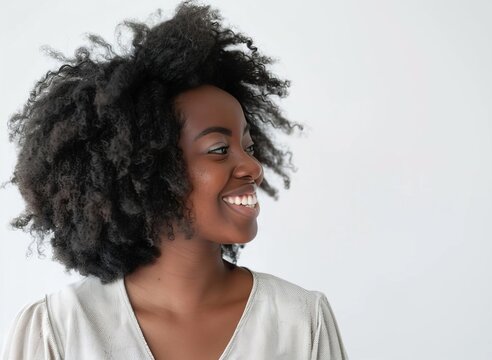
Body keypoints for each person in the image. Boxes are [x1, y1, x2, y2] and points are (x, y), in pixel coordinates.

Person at [1, 1, 348, 359]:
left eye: (249, 146)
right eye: (218, 149)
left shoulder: (300, 320)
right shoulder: (59, 329)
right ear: (145, 170)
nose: (253, 168)